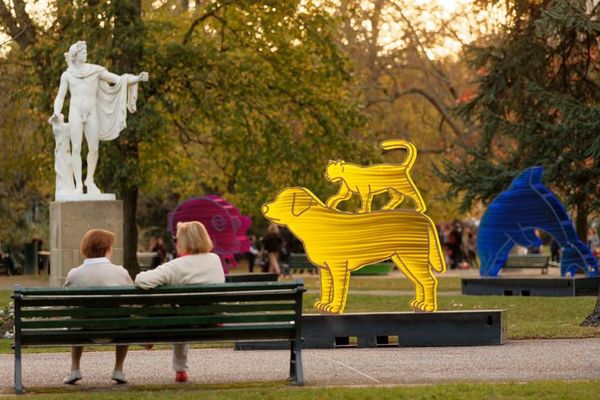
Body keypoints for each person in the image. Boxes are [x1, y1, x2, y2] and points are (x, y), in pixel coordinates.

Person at [50, 40, 148, 196]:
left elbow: (118, 79)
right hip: (75, 112)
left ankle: (89, 180)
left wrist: (136, 78)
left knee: (94, 149)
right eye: (83, 52)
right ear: (75, 55)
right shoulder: (67, 75)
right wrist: (56, 112)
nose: (86, 54)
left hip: (91, 112)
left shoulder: (95, 71)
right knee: (75, 148)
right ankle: (78, 185)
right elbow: (60, 97)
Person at [134, 221, 225, 383]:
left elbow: (141, 281)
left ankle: (150, 335)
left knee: (173, 309)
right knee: (180, 309)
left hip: (185, 321)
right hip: (212, 320)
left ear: (184, 242)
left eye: (177, 240)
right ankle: (180, 369)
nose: (175, 243)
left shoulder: (177, 265)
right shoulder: (215, 259)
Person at [63, 229, 133, 385]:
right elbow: (130, 302)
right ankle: (118, 369)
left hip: (84, 329)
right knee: (125, 318)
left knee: (76, 316)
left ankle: (75, 368)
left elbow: (67, 303)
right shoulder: (120, 273)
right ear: (106, 249)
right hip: (116, 329)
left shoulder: (74, 274)